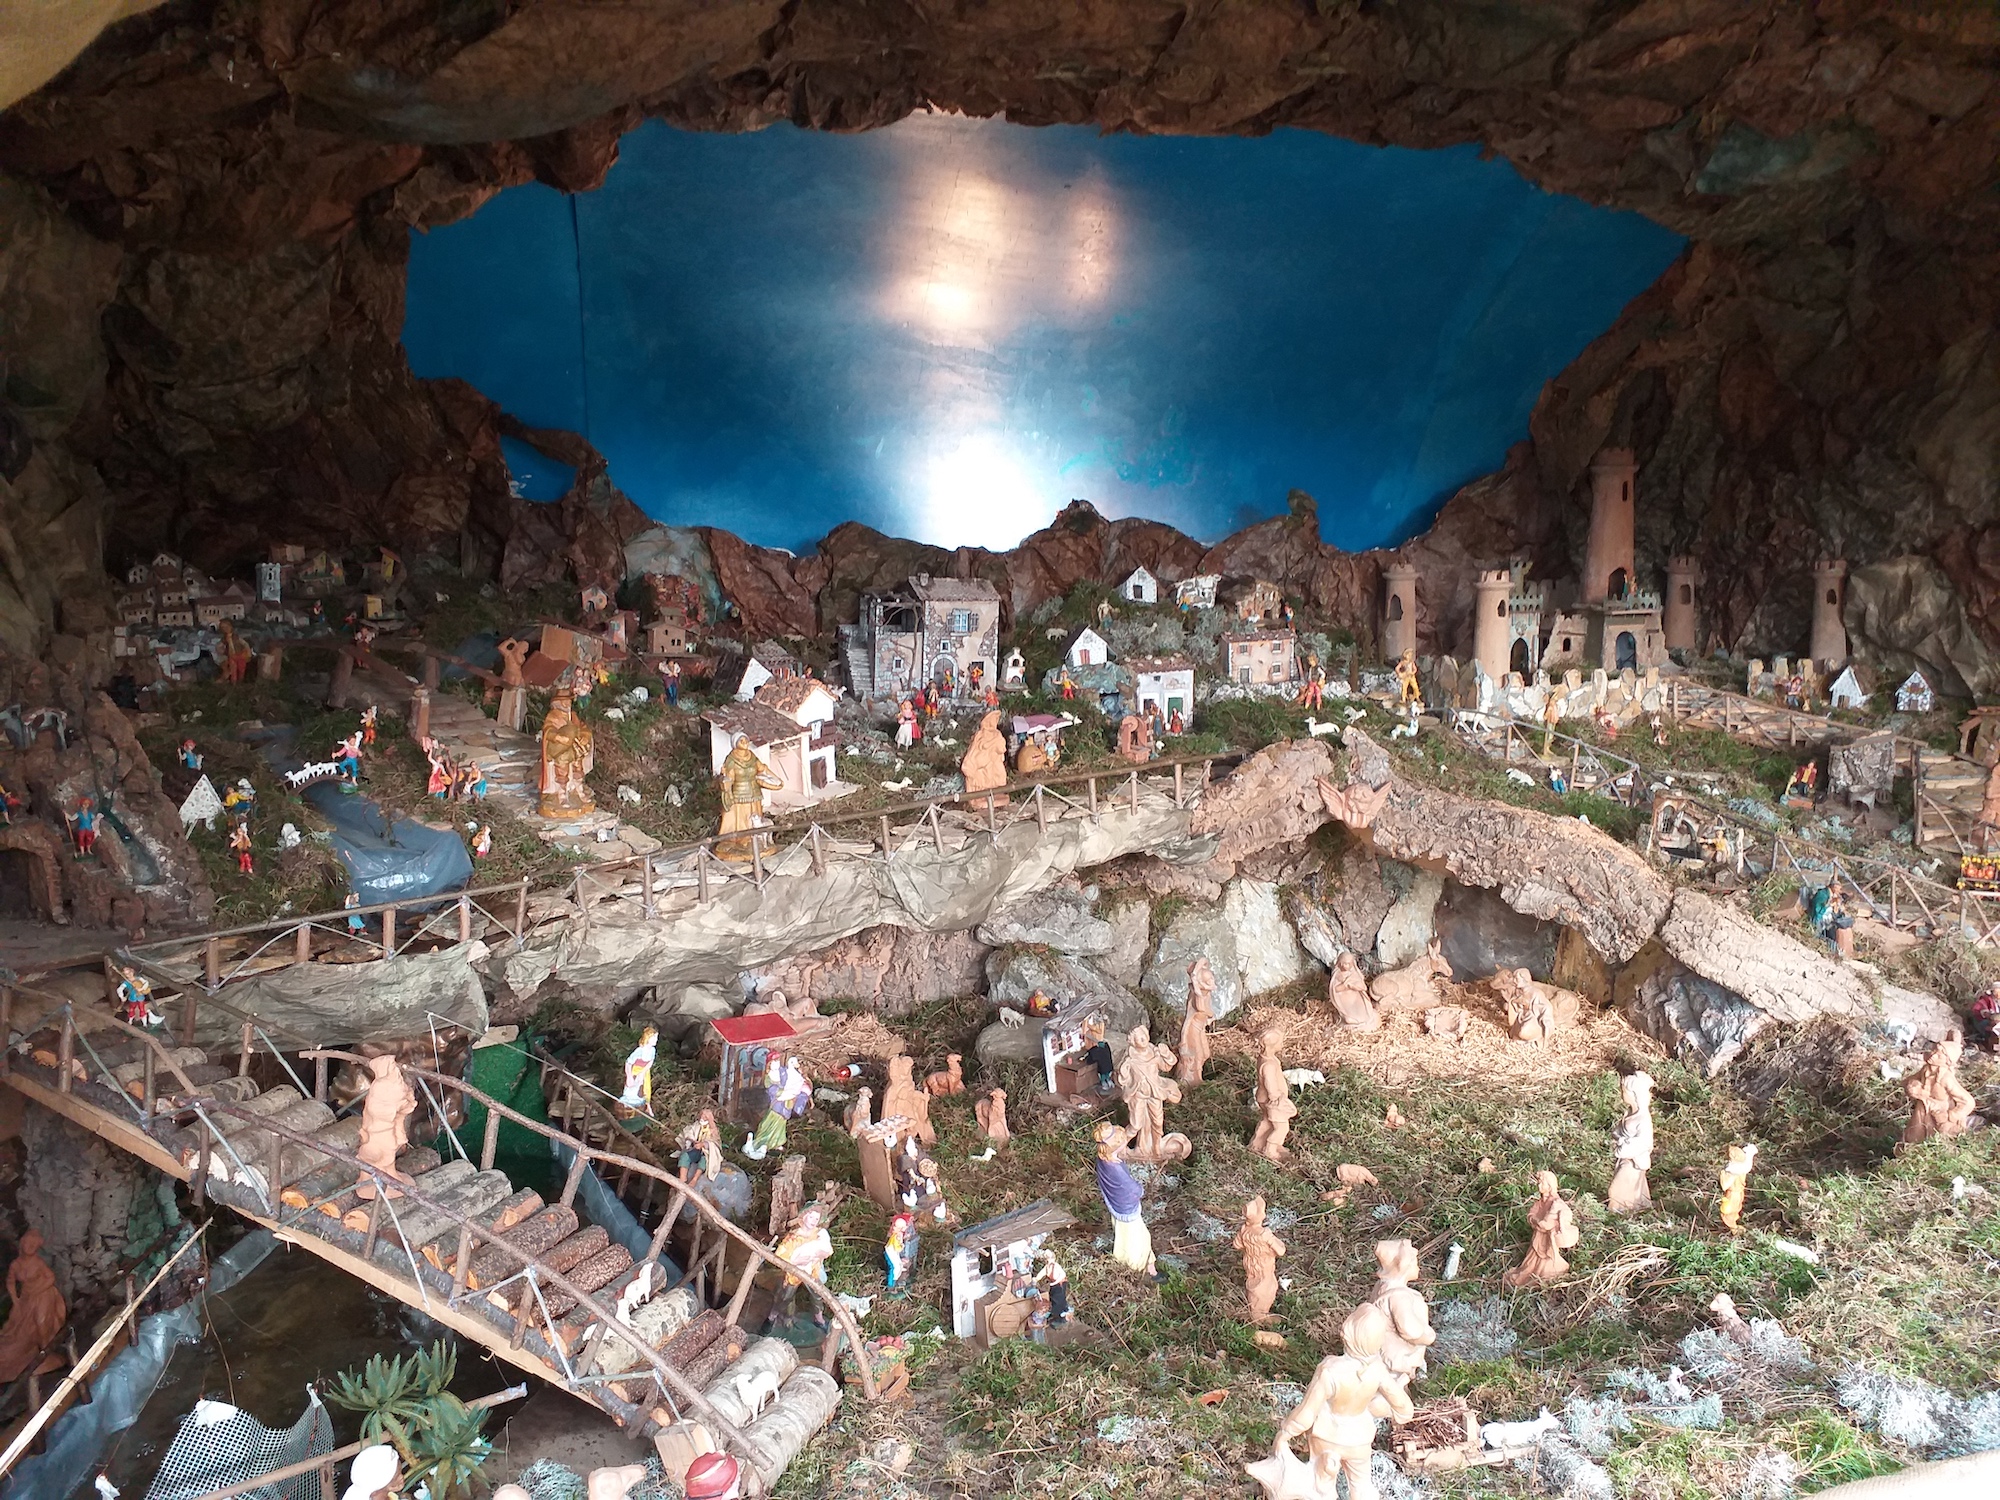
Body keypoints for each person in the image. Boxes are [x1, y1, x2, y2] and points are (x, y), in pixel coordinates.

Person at [1254, 1304, 1412, 1500]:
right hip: (1359, 1438)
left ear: (1348, 1331)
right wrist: (1380, 1410)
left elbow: (1307, 1411)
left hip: (1326, 1435)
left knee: (1320, 1485)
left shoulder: (1330, 1369)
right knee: (1362, 1486)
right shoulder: (1378, 1370)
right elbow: (1404, 1408)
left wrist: (1287, 1431)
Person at [1093, 1121, 1157, 1279]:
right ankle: (1137, 1269)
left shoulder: (1104, 1160)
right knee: (1136, 1240)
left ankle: (1147, 1265)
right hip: (1126, 1209)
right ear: (1117, 1147)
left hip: (1116, 1205)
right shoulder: (1116, 1171)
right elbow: (1131, 1189)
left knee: (1124, 1235)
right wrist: (1140, 1190)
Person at [767, 1206, 834, 1329]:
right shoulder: (793, 1237)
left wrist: (818, 1255)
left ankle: (818, 1318)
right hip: (794, 1273)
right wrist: (795, 1262)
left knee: (817, 1294)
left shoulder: (819, 1234)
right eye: (811, 1217)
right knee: (785, 1296)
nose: (814, 1221)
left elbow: (828, 1250)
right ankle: (772, 1317)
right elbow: (780, 1255)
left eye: (816, 1218)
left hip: (812, 1272)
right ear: (804, 1217)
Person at [884, 1213, 918, 1297]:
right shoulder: (897, 1236)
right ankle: (891, 1285)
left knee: (899, 1267)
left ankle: (896, 1281)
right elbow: (897, 1248)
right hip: (892, 1252)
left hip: (897, 1253)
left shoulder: (900, 1234)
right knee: (895, 1268)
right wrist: (902, 1246)